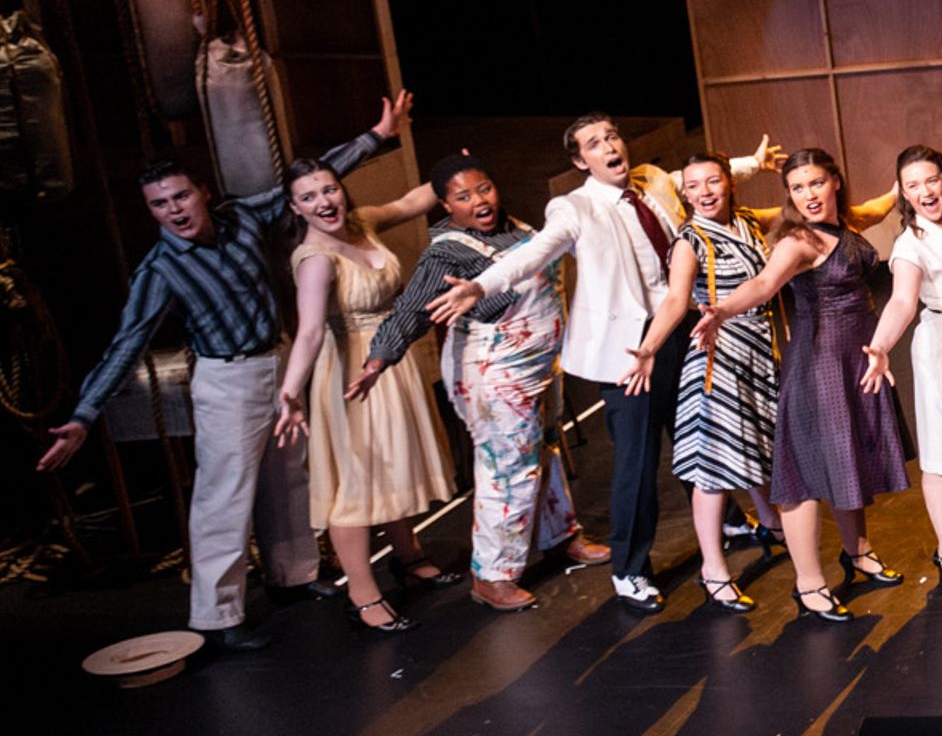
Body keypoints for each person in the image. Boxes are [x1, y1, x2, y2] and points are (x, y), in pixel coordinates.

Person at [41, 95, 410, 648]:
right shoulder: (161, 268)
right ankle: (216, 618)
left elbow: (307, 185)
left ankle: (293, 576)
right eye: (160, 204)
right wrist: (83, 416)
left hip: (279, 361)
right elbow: (125, 345)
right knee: (225, 495)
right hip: (226, 379)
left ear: (203, 193)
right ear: (152, 211)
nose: (175, 210)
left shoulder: (238, 216)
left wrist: (376, 136)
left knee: (290, 480)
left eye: (181, 195)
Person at [437, 109, 761, 611]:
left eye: (612, 136)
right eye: (595, 143)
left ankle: (728, 519)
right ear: (580, 160)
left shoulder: (651, 184)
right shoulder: (573, 207)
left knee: (699, 434)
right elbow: (535, 253)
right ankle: (630, 570)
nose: (610, 146)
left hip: (679, 331)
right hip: (630, 354)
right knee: (637, 461)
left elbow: (694, 180)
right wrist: (482, 284)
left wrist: (752, 164)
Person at [692, 148, 911, 622]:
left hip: (856, 357)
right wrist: (723, 311)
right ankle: (808, 583)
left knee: (846, 457)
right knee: (807, 472)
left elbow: (878, 205)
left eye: (815, 183)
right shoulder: (798, 240)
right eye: (797, 188)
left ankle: (858, 552)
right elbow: (765, 283)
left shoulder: (846, 220)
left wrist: (906, 187)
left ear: (834, 181)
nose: (808, 195)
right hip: (819, 365)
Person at [355, 148, 572, 612]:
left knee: (547, 445)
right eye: (463, 196)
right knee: (506, 468)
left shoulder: (520, 228)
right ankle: (492, 576)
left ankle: (561, 535)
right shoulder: (447, 251)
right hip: (493, 374)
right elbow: (411, 310)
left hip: (540, 361)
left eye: (484, 188)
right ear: (446, 206)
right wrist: (378, 360)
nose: (479, 200)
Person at [269, 160, 455, 634]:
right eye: (308, 197)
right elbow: (309, 333)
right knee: (354, 481)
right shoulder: (314, 259)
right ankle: (361, 590)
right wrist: (290, 391)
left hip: (391, 363)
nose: (323, 202)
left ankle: (408, 555)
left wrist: (455, 171)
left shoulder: (361, 223)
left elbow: (410, 203)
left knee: (390, 463)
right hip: (350, 373)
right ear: (295, 208)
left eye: (329, 190)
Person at [640, 153, 779, 613]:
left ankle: (771, 523)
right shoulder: (689, 241)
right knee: (713, 465)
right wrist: (650, 348)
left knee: (758, 442)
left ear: (729, 183)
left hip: (758, 350)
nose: (704, 192)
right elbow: (677, 300)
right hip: (718, 356)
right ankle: (713, 569)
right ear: (684, 194)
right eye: (694, 185)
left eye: (713, 181)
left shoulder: (746, 221)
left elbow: (796, 218)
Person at [861, 143, 942, 594]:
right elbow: (901, 302)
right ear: (902, 192)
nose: (924, 192)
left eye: (931, 180)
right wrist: (880, 346)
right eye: (912, 185)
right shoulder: (910, 243)